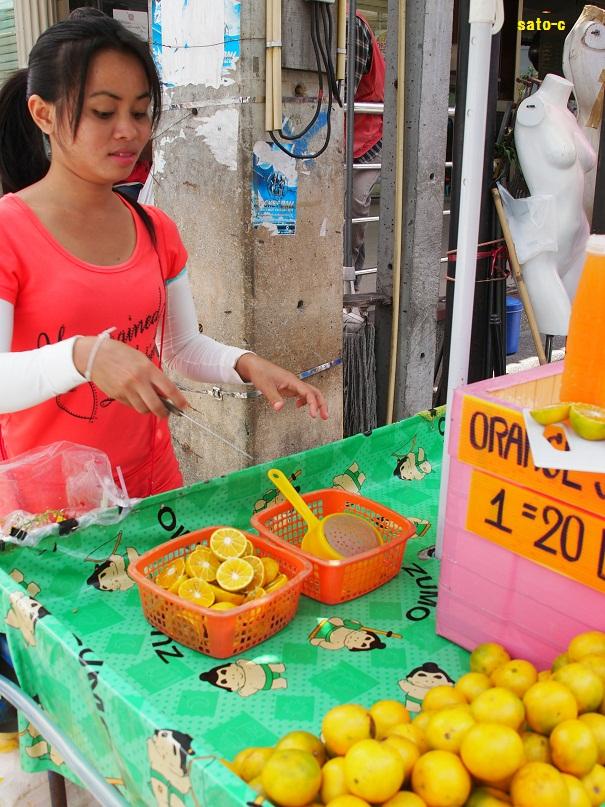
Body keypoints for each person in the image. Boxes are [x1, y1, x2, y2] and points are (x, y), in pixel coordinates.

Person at [0, 12, 328, 500]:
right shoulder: (9, 231)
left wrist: (246, 363)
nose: (128, 131)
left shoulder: (155, 229)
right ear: (42, 113)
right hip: (47, 508)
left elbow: (181, 348)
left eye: (140, 112)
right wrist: (83, 355)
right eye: (103, 112)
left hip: (152, 488)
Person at [349, 11, 386, 276]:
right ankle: (350, 274)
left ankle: (350, 274)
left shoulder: (353, 26)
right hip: (348, 133)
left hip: (368, 135)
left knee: (355, 202)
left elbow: (342, 92)